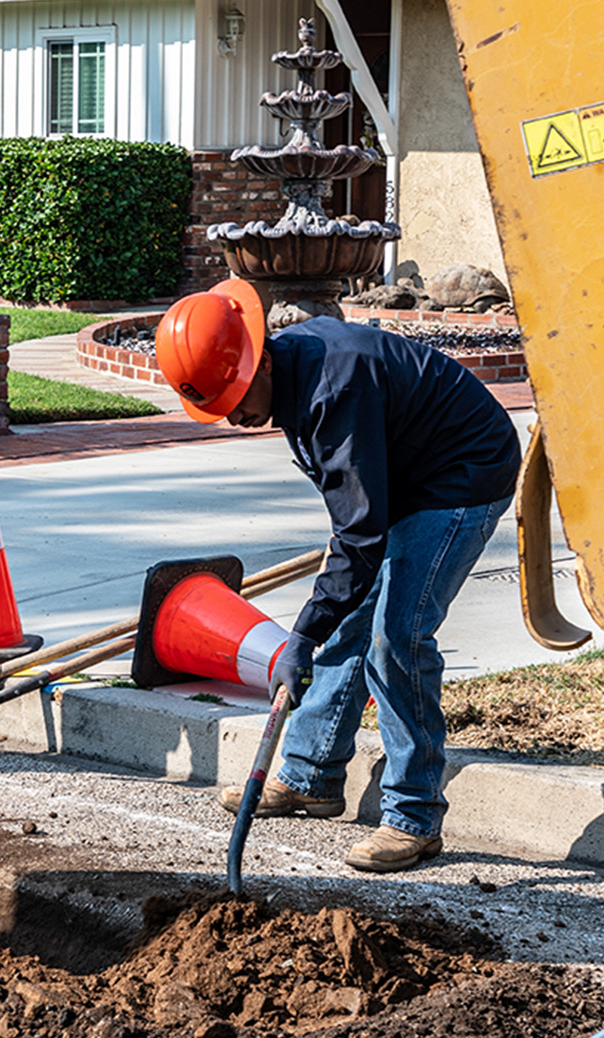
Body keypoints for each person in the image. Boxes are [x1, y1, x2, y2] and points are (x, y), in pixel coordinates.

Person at [154, 278, 521, 873]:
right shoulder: (292, 380)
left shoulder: (333, 388)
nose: (235, 418)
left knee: (397, 636)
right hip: (404, 475)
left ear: (260, 361)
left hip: (463, 473)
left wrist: (303, 635)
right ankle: (311, 775)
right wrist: (323, 618)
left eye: (237, 400)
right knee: (351, 620)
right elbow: (358, 527)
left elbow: (359, 536)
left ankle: (414, 816)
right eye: (221, 408)